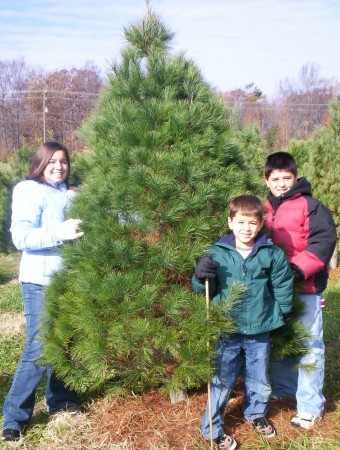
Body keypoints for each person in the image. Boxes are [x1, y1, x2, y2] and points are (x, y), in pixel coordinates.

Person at [192, 195, 293, 450]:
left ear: (260, 225)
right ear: (230, 221)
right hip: (228, 329)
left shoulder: (271, 254)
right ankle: (211, 428)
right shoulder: (217, 253)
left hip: (259, 329)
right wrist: (200, 274)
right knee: (221, 379)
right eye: (240, 222)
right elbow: (204, 288)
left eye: (251, 223)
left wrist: (285, 311)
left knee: (258, 377)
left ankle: (256, 414)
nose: (246, 228)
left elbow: (281, 284)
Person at [2, 142, 84, 442]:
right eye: (52, 161)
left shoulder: (72, 194)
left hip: (69, 279)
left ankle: (61, 400)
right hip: (40, 279)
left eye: (63, 161)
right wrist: (58, 234)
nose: (59, 166)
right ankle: (14, 416)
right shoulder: (28, 190)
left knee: (66, 341)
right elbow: (21, 236)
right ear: (40, 163)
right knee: (38, 348)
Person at [264, 151, 337, 430]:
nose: (281, 183)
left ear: (295, 177)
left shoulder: (311, 206)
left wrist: (296, 269)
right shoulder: (263, 208)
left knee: (308, 345)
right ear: (266, 180)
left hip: (305, 286)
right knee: (280, 340)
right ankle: (283, 388)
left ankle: (309, 406)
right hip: (273, 289)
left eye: (286, 178)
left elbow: (323, 240)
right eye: (275, 178)